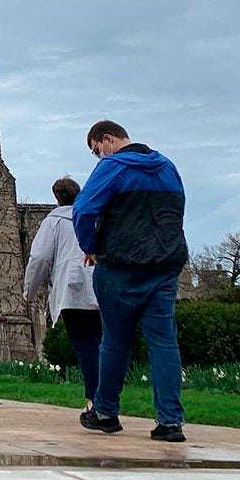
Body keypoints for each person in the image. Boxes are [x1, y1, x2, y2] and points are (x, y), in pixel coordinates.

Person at [73, 119, 189, 442]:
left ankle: (106, 412)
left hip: (120, 267)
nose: (99, 157)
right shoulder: (167, 168)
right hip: (164, 268)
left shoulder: (113, 167)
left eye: (97, 151)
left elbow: (82, 211)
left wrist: (91, 248)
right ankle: (170, 422)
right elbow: (176, 213)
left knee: (115, 341)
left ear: (107, 140)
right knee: (164, 342)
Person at [23, 176, 101, 410]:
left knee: (86, 345)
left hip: (72, 288)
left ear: (57, 197)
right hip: (100, 286)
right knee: (102, 343)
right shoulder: (93, 217)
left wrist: (29, 291)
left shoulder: (54, 221)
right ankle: (107, 396)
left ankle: (95, 399)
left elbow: (40, 257)